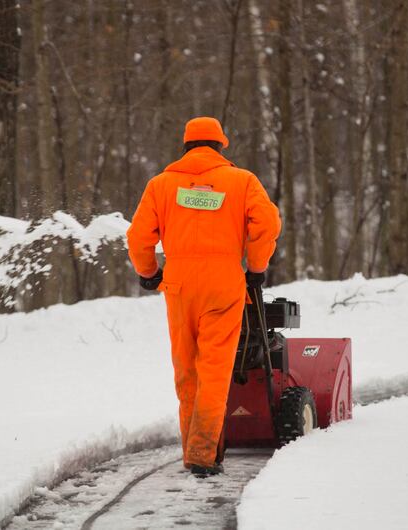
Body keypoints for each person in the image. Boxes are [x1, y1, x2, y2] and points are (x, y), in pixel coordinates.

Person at [127, 116, 281, 477]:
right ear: (220, 146)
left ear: (186, 147)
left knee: (187, 371)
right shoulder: (241, 181)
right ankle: (202, 452)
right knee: (214, 370)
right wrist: (257, 267)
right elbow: (268, 223)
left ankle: (197, 449)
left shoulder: (161, 185)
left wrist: (149, 273)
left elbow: (138, 237)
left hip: (179, 285)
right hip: (223, 283)